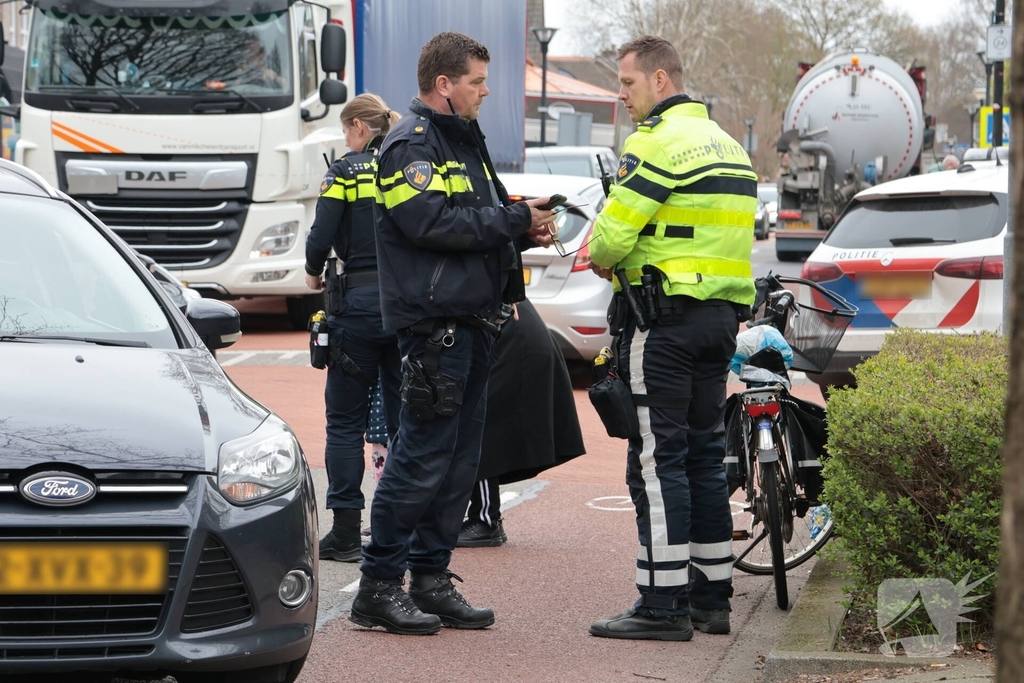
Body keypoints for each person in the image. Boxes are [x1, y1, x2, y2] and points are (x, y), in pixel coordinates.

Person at [349, 30, 556, 636]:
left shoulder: (461, 142)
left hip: (471, 324)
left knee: (460, 462)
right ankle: (379, 588)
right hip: (435, 329)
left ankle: (431, 581)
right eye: (477, 81)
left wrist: (522, 227)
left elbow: (473, 222)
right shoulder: (409, 146)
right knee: (419, 459)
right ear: (444, 85)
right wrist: (513, 218)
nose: (485, 92)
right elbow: (430, 221)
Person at [584, 35, 758, 641]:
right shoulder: (731, 147)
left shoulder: (654, 143)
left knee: (659, 463)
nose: (622, 95)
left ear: (661, 81)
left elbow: (609, 239)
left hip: (663, 325)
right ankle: (713, 599)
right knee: (708, 456)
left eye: (628, 83)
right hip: (720, 323)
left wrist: (602, 253)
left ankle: (662, 605)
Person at [304, 93, 402, 563]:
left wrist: (311, 269)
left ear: (360, 128)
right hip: (404, 307)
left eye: (346, 130)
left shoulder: (344, 172)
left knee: (344, 422)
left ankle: (344, 531)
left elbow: (321, 233)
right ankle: (404, 525)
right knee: (409, 422)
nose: (345, 139)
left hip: (357, 306)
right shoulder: (409, 166)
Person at [457, 297, 586, 547]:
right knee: (477, 421)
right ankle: (481, 517)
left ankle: (485, 521)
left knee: (477, 423)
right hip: (513, 336)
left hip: (514, 344)